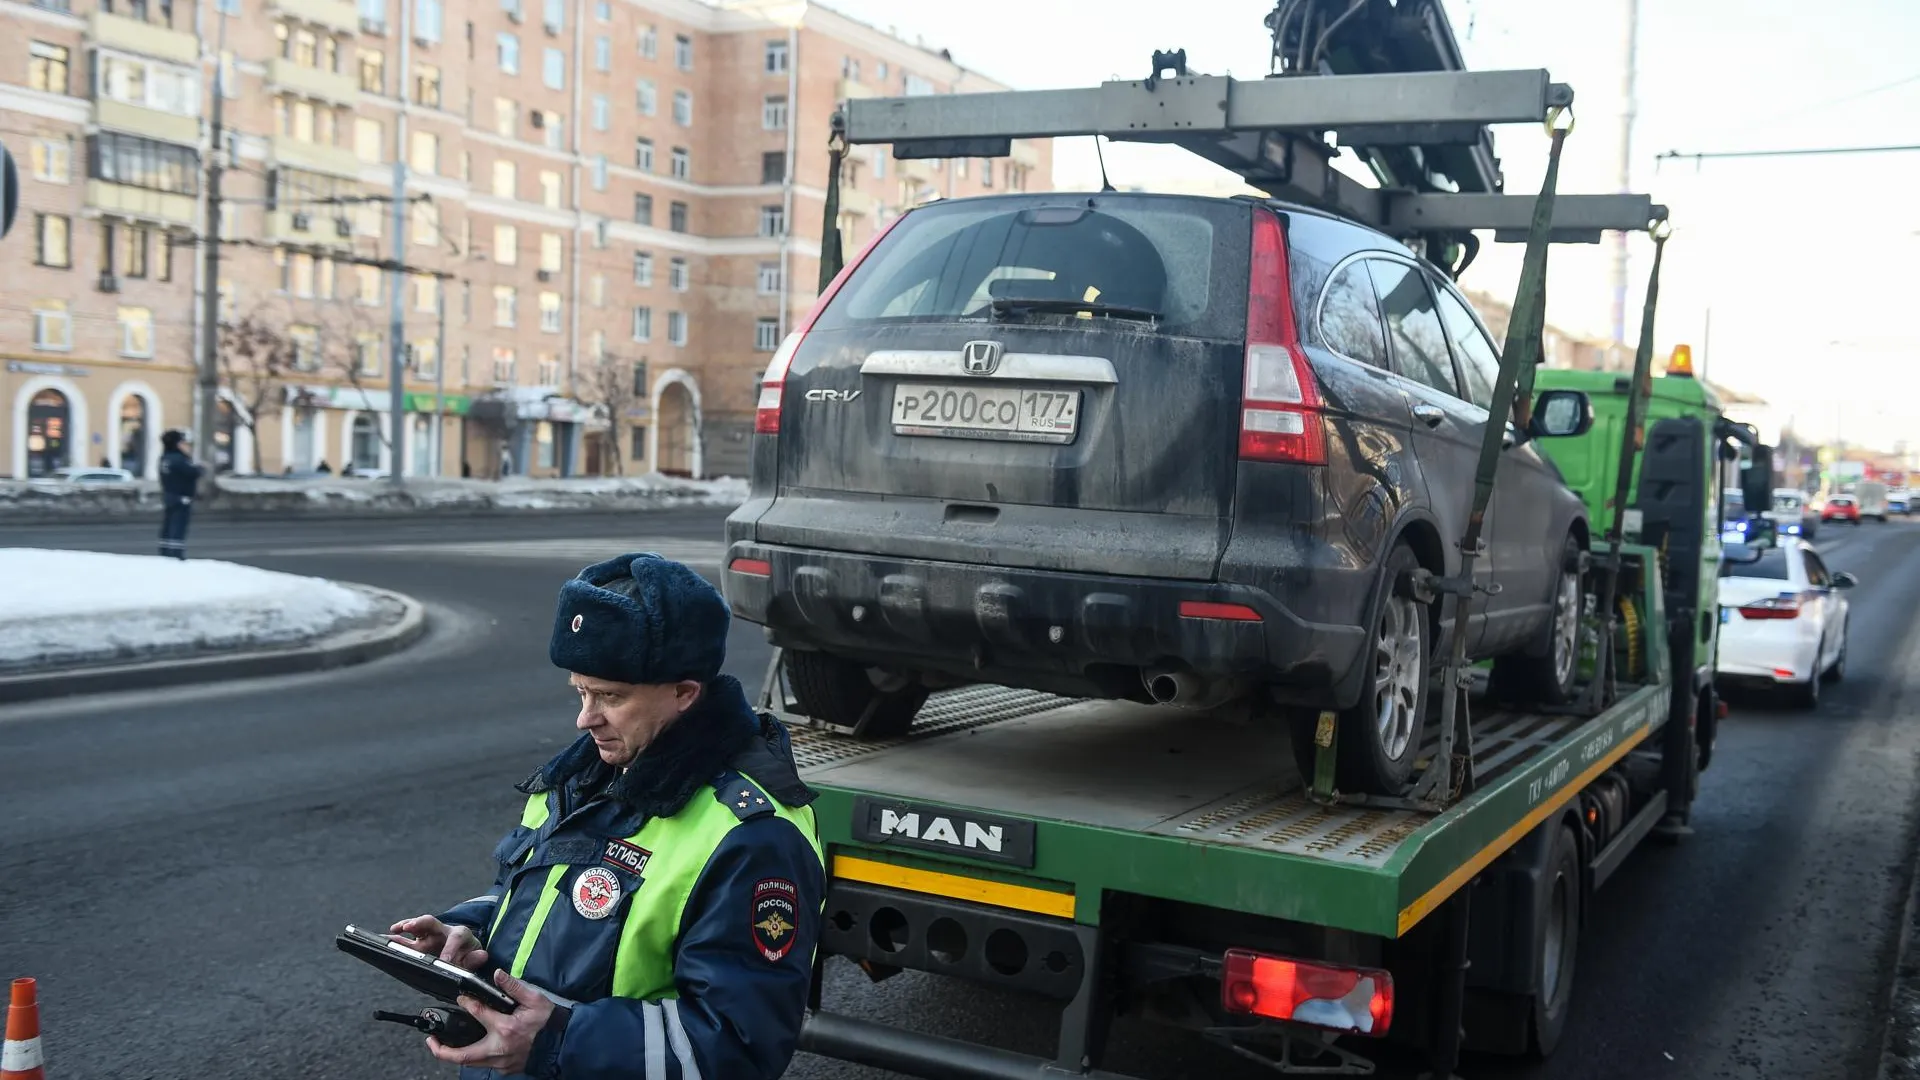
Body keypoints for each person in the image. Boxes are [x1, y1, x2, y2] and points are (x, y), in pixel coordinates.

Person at [387, 553, 825, 1079]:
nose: (584, 718)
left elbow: (740, 1045)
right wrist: (468, 930)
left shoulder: (752, 836)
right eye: (581, 690)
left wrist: (558, 1042)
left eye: (610, 697)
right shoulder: (581, 776)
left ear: (684, 693)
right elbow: (537, 899)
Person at [157, 430, 202, 560]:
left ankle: (165, 552)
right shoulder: (179, 459)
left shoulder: (164, 458)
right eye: (183, 443)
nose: (186, 446)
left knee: (168, 525)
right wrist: (200, 468)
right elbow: (192, 472)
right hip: (181, 498)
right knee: (178, 526)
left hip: (169, 495)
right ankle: (175, 554)